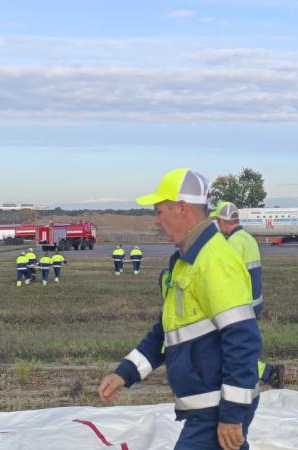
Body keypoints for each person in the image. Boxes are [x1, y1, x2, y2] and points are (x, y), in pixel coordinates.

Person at [98, 168, 261, 450]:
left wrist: (232, 415)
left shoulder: (214, 261)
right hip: (208, 406)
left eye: (159, 211)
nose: (156, 220)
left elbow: (243, 340)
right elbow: (167, 333)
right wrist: (124, 373)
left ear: (182, 208)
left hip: (216, 408)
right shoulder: (186, 261)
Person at [211, 202, 284, 389]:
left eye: (216, 221)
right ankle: (262, 375)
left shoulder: (233, 243)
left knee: (231, 349)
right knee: (238, 347)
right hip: (253, 301)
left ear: (222, 221)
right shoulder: (248, 239)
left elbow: (227, 276)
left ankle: (267, 373)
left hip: (240, 305)